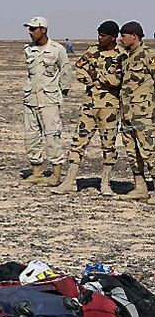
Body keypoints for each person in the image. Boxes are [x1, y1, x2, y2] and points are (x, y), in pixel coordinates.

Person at [55, 20, 125, 196]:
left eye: (103, 35)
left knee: (108, 145)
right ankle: (70, 182)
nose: (99, 38)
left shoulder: (121, 55)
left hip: (109, 107)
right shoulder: (92, 50)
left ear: (113, 37)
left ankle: (105, 183)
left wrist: (97, 75)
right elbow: (80, 70)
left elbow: (117, 81)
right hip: (89, 104)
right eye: (98, 35)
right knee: (78, 142)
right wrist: (93, 79)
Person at [22, 17, 72, 186]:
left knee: (52, 137)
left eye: (33, 29)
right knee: (32, 137)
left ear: (43, 29)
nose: (30, 32)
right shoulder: (28, 50)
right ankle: (37, 171)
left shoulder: (57, 50)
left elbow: (65, 72)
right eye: (29, 29)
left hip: (49, 100)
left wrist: (60, 93)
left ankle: (56, 174)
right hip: (30, 99)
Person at [116, 21, 155, 202]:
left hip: (144, 113)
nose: (120, 39)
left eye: (123, 35)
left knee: (149, 150)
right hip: (127, 113)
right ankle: (140, 187)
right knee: (132, 152)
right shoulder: (126, 58)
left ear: (134, 36)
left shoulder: (148, 55)